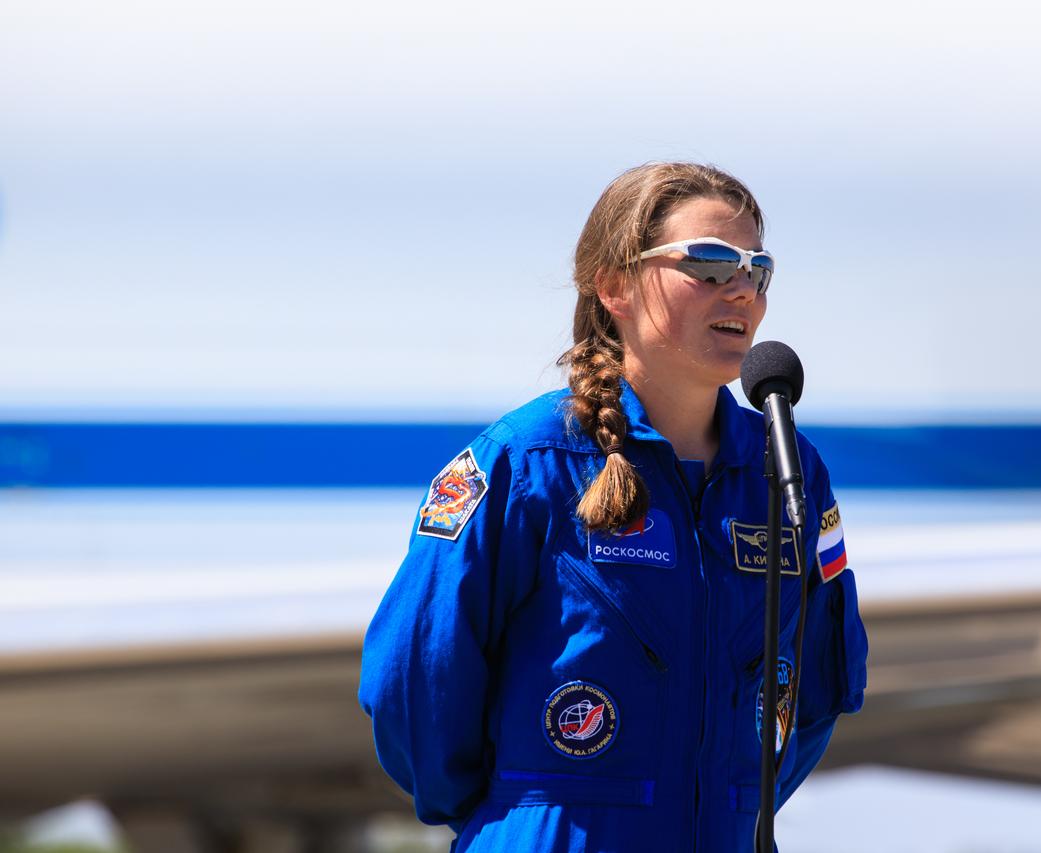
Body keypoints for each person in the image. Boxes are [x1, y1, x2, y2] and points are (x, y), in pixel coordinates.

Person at [358, 162, 868, 852]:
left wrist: (732, 807)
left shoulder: (786, 472)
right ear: (615, 285)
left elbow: (816, 691)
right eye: (711, 263)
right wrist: (522, 813)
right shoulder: (528, 463)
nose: (743, 289)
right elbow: (415, 680)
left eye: (758, 268)